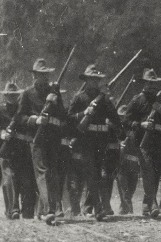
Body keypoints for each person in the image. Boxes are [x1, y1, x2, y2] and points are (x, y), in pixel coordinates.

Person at [23, 58, 70, 225]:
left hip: (53, 137)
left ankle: (45, 209)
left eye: (46, 75)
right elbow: (20, 117)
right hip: (37, 137)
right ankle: (50, 209)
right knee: (42, 172)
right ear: (34, 76)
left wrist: (54, 102)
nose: (44, 78)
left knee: (52, 173)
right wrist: (35, 120)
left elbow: (63, 115)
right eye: (40, 75)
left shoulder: (55, 92)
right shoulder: (27, 94)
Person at [70, 64, 118, 220]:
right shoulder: (79, 97)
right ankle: (98, 209)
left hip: (101, 140)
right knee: (91, 173)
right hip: (86, 140)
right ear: (86, 80)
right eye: (91, 79)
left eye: (96, 80)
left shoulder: (104, 99)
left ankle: (93, 207)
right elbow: (69, 117)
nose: (94, 82)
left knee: (97, 174)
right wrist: (84, 113)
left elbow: (115, 117)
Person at [126, 68, 161, 217]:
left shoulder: (160, 101)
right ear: (144, 83)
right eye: (148, 83)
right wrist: (141, 125)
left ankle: (145, 205)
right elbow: (127, 121)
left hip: (158, 143)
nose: (151, 86)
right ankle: (153, 204)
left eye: (153, 83)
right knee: (148, 173)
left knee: (155, 175)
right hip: (143, 143)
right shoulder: (137, 100)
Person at [0, 80, 38, 219]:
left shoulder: (24, 109)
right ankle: (13, 209)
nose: (12, 97)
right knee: (10, 180)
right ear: (5, 96)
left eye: (15, 95)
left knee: (26, 180)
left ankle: (27, 212)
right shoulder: (0, 111)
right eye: (9, 95)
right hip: (8, 149)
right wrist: (1, 134)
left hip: (24, 148)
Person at [115, 101, 142, 215]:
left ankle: (123, 208)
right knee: (124, 189)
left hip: (134, 163)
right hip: (122, 163)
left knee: (131, 189)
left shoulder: (135, 131)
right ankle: (129, 210)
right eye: (121, 117)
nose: (122, 120)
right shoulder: (117, 130)